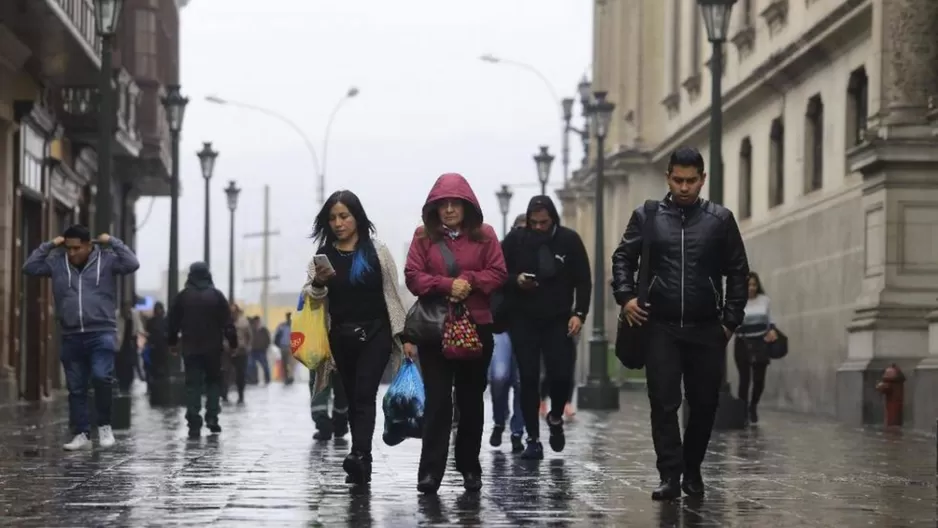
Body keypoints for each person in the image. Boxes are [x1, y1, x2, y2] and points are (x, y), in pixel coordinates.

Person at [611, 147, 749, 500]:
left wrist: (730, 322)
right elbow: (623, 258)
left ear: (703, 179)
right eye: (678, 180)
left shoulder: (720, 220)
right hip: (661, 325)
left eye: (691, 181)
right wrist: (626, 298)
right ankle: (670, 474)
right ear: (668, 178)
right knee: (664, 401)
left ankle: (693, 469)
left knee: (704, 403)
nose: (685, 187)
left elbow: (737, 272)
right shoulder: (648, 216)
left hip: (707, 327)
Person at [404, 172, 507, 494]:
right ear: (433, 208)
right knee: (437, 400)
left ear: (466, 206)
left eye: (455, 204)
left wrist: (471, 283)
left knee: (470, 400)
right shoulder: (423, 237)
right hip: (436, 329)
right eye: (442, 204)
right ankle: (430, 472)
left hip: (476, 328)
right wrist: (448, 285)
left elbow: (498, 272)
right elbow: (413, 276)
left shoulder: (486, 235)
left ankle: (469, 467)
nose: (449, 209)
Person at [303, 190, 409, 485]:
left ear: (357, 217)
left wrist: (404, 335)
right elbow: (312, 298)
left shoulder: (378, 251)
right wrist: (319, 283)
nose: (338, 223)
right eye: (333, 218)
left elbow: (393, 295)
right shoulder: (322, 257)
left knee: (364, 393)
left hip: (376, 333)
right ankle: (361, 455)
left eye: (344, 216)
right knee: (351, 395)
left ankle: (361, 454)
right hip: (341, 336)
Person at [22, 225, 139, 450]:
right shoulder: (57, 263)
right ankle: (82, 433)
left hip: (101, 331)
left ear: (88, 245)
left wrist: (113, 241)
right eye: (68, 248)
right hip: (71, 334)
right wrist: (50, 245)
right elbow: (29, 267)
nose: (72, 253)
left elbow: (132, 263)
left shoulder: (106, 261)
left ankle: (104, 426)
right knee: (76, 388)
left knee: (100, 377)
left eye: (77, 248)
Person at [501, 195, 591, 460]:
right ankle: (533, 439)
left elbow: (583, 280)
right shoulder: (516, 241)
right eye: (534, 222)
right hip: (524, 319)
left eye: (544, 222)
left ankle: (555, 417)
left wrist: (579, 314)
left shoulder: (569, 240)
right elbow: (496, 274)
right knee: (528, 378)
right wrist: (516, 280)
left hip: (558, 318)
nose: (539, 227)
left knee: (560, 374)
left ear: (553, 219)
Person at [167, 262, 236, 438]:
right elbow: (228, 324)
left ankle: (194, 422)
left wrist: (173, 343)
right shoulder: (216, 296)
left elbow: (172, 323)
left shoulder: (183, 297)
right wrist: (233, 344)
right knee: (213, 382)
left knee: (193, 385)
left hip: (190, 348)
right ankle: (212, 417)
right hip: (213, 348)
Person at [488, 213, 527, 453]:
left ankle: (517, 431)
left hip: (526, 327)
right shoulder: (500, 254)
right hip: (501, 324)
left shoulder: (539, 255)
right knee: (499, 376)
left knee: (522, 382)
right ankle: (499, 419)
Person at [734, 271, 779, 425]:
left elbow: (771, 319)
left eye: (754, 284)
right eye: (748, 285)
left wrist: (772, 329)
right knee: (744, 379)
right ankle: (742, 412)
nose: (751, 288)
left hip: (761, 342)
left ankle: (753, 406)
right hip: (742, 342)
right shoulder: (738, 301)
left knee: (759, 380)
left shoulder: (764, 300)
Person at [226, 303, 252, 404]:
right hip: (227, 351)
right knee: (226, 373)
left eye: (235, 311)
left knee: (240, 374)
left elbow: (249, 336)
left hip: (241, 351)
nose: (233, 314)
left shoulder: (244, 322)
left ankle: (241, 395)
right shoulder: (225, 322)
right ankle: (224, 394)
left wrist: (247, 346)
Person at [144, 302, 169, 387]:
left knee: (158, 369)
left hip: (160, 349)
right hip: (156, 349)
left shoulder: (164, 321)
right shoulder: (153, 321)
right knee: (155, 369)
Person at [249, 316, 272, 385]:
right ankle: (254, 380)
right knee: (252, 366)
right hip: (253, 350)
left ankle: (267, 379)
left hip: (262, 350)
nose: (256, 323)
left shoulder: (264, 330)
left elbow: (268, 339)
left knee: (265, 365)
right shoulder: (251, 330)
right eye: (255, 322)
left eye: (257, 321)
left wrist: (265, 347)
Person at [273, 312, 294, 384]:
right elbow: (277, 336)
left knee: (290, 363)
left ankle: (290, 377)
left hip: (291, 347)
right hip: (283, 347)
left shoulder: (294, 325)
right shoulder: (282, 326)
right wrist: (278, 344)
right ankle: (286, 377)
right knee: (284, 363)